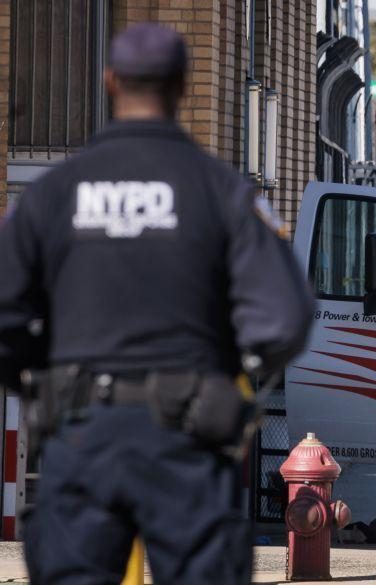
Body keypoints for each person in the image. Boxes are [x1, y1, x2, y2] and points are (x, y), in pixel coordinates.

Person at [0, 23, 314, 584]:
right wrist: (234, 380)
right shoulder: (219, 192)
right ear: (182, 87)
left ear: (111, 81)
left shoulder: (54, 193)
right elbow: (285, 318)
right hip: (188, 437)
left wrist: (35, 377)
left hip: (80, 430)